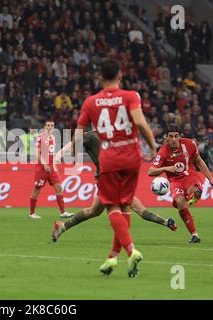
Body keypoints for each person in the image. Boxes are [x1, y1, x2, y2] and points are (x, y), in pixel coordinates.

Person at [75, 60, 157, 278]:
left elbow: (79, 132)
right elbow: (140, 123)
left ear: (99, 78)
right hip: (132, 158)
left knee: (112, 208)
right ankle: (112, 257)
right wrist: (153, 146)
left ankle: (131, 250)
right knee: (125, 207)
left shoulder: (91, 102)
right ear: (120, 75)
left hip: (109, 159)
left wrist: (73, 154)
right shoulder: (131, 96)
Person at [52, 131, 177, 242]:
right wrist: (59, 154)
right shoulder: (91, 136)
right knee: (136, 206)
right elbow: (75, 141)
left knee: (93, 211)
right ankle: (166, 222)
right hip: (107, 180)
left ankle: (62, 226)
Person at [148, 124, 213, 244]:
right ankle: (194, 235)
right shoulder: (163, 151)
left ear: (180, 136)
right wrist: (167, 168)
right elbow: (150, 171)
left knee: (194, 192)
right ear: (166, 138)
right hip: (175, 181)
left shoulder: (190, 144)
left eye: (176, 136)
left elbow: (199, 161)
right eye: (171, 136)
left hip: (190, 175)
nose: (174, 139)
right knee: (181, 204)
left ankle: (193, 196)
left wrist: (210, 178)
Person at [29, 120, 73, 219]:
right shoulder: (40, 137)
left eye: (52, 125)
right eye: (48, 125)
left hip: (51, 167)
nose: (50, 127)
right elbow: (37, 154)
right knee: (37, 190)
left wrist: (54, 164)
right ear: (45, 127)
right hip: (42, 168)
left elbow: (51, 154)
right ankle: (32, 213)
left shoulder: (52, 137)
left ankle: (63, 212)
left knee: (59, 187)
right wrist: (45, 165)